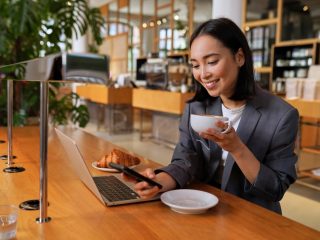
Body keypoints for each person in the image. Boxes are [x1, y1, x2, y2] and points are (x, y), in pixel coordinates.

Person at [131, 17, 299, 214]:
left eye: (211, 62)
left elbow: (276, 188)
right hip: (200, 210)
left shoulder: (282, 116)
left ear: (239, 57)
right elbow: (186, 160)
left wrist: (237, 149)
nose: (203, 74)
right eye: (195, 65)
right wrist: (158, 182)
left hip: (252, 217)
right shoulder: (196, 108)